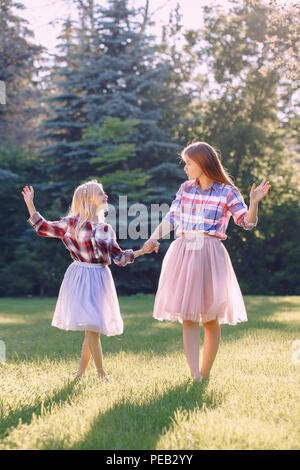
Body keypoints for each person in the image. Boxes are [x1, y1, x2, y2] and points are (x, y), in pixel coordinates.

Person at [143, 142, 271, 383]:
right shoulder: (185, 189)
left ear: (202, 163)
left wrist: (253, 203)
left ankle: (205, 372)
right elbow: (172, 218)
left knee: (210, 318)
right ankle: (194, 375)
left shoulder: (227, 191)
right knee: (189, 317)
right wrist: (151, 239)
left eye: (189, 163)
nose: (186, 168)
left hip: (210, 254)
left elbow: (246, 222)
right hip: (185, 251)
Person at [22, 180, 155, 381]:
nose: (106, 197)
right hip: (80, 276)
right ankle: (102, 374)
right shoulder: (70, 223)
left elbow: (118, 258)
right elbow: (43, 228)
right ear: (88, 199)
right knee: (92, 326)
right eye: (101, 194)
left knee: (92, 327)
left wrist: (142, 251)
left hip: (100, 277)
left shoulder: (105, 229)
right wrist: (30, 204)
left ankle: (80, 374)